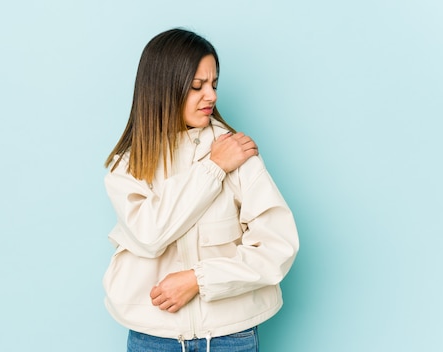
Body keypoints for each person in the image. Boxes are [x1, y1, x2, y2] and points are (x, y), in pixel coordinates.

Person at [103, 28, 299, 352]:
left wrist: (199, 279)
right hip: (153, 338)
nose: (212, 96)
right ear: (163, 89)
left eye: (214, 84)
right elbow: (148, 234)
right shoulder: (127, 165)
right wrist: (213, 168)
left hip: (230, 338)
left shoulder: (236, 151)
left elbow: (278, 245)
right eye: (197, 86)